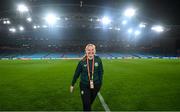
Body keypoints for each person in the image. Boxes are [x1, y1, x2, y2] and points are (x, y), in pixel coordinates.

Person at [70, 44, 104, 111]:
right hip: (84, 85)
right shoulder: (82, 62)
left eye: (92, 50)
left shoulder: (98, 60)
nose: (90, 51)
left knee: (88, 104)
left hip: (96, 85)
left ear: (95, 51)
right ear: (86, 51)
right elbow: (76, 74)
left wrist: (100, 84)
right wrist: (72, 84)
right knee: (86, 104)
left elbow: (101, 72)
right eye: (89, 50)